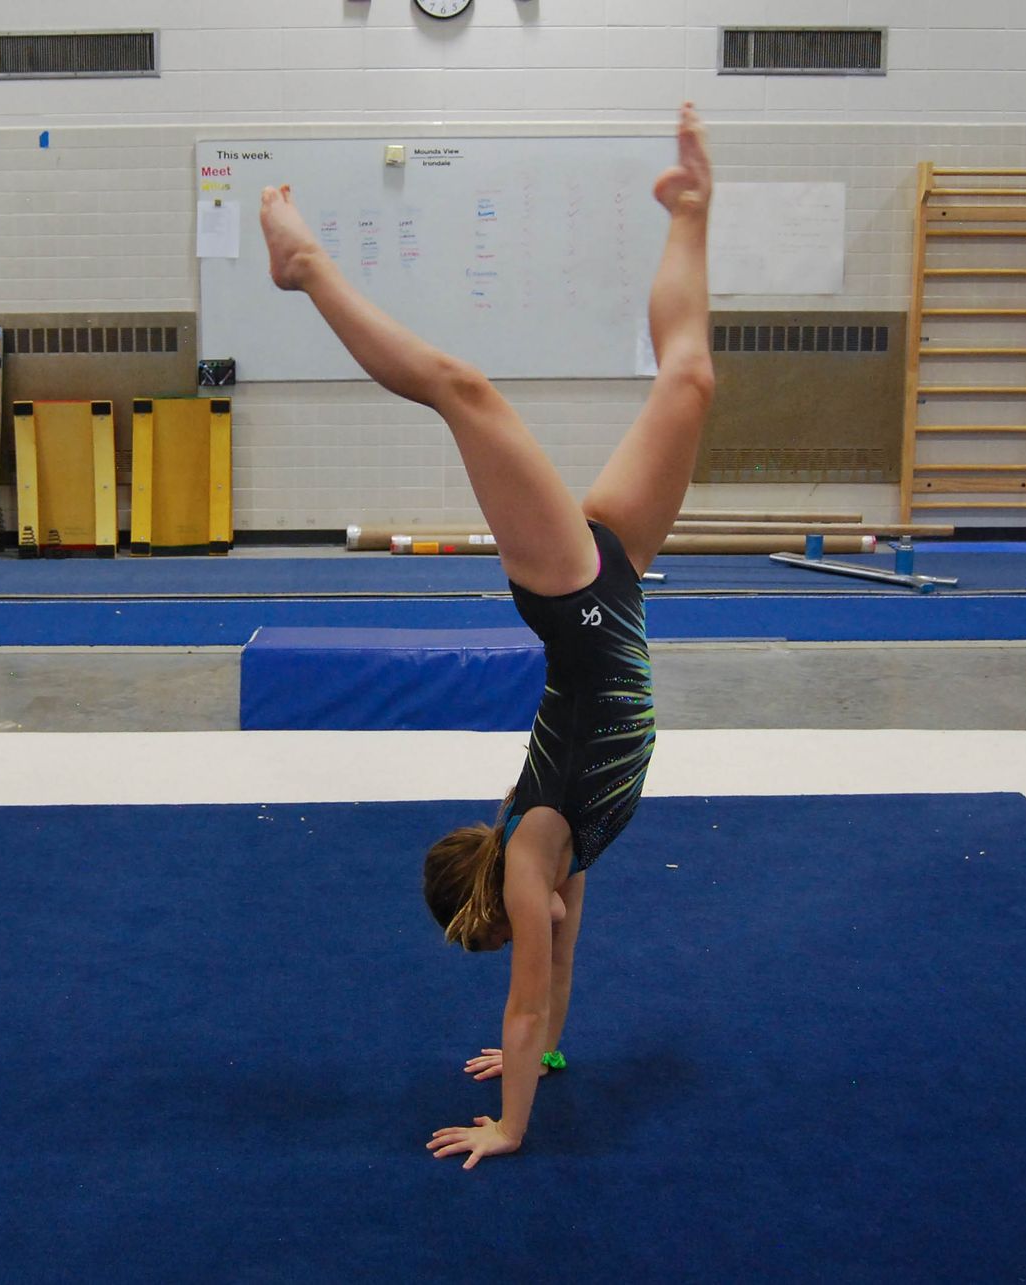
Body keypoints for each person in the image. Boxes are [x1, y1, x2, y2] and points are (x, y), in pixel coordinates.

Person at [259, 103, 713, 1170]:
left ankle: (309, 267)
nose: (547, 924)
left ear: (504, 904)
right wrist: (548, 1056)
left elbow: (522, 997)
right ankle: (690, 212)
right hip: (619, 591)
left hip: (568, 596)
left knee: (464, 392)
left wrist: (509, 1123)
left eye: (529, 924)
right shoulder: (565, 860)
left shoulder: (532, 855)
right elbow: (553, 987)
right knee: (690, 384)